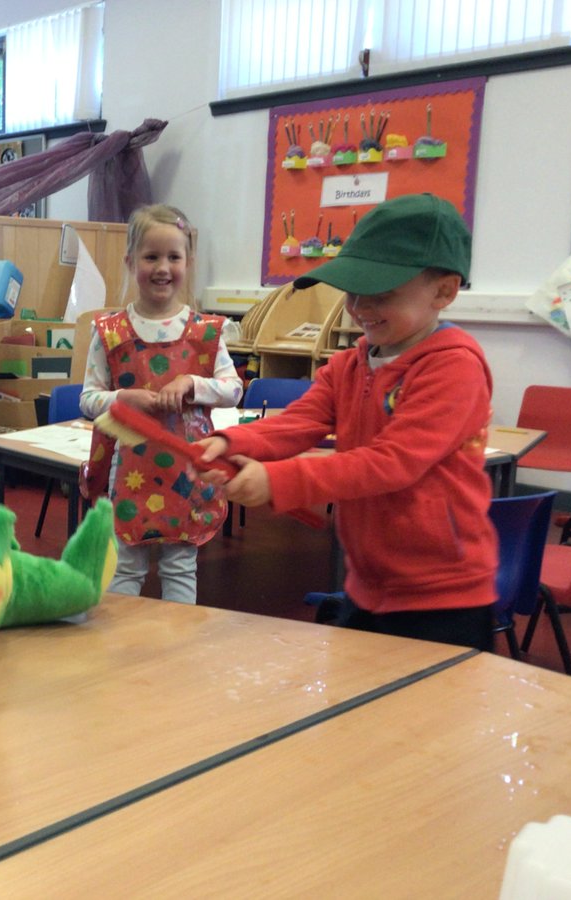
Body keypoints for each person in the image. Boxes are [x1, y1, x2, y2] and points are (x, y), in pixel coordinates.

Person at [197, 193, 497, 650]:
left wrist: (280, 481)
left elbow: (392, 463)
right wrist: (231, 441)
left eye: (380, 294)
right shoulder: (351, 363)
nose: (358, 307)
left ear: (444, 291)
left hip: (442, 597)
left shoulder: (453, 367)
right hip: (368, 583)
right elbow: (299, 421)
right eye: (353, 291)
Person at [78, 204, 242, 604]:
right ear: (131, 261)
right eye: (151, 256)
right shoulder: (110, 332)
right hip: (130, 469)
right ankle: (119, 648)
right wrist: (122, 398)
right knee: (126, 566)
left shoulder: (206, 332)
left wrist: (191, 384)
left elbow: (233, 388)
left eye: (174, 256)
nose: (163, 267)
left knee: (180, 566)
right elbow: (88, 399)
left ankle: (180, 655)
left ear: (188, 261)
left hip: (186, 473)